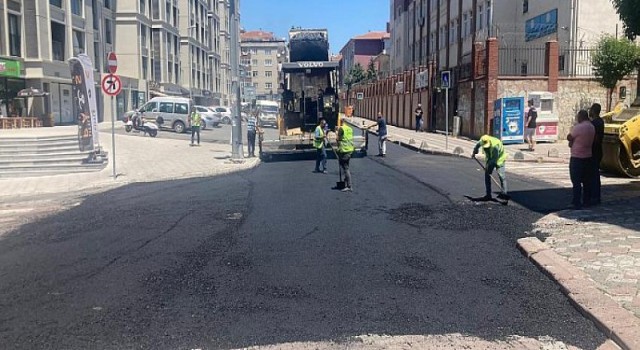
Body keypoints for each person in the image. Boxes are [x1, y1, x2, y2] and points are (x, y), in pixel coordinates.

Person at [567, 109, 595, 209]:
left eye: (578, 117)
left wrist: (570, 140)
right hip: (588, 156)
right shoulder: (592, 127)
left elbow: (570, 137)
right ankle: (586, 201)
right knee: (586, 181)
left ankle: (576, 202)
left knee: (576, 181)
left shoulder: (578, 127)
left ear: (581, 117)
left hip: (577, 157)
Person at [472, 135, 508, 200]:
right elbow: (478, 145)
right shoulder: (483, 140)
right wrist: (474, 151)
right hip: (490, 159)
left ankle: (504, 194)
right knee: (487, 176)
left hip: (500, 160)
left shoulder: (495, 146)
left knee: (502, 177)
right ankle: (488, 195)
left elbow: (494, 160)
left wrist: (488, 167)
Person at [590, 103, 604, 206]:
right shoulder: (601, 121)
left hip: (594, 151)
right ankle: (595, 196)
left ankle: (594, 197)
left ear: (593, 111)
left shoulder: (595, 123)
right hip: (598, 150)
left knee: (593, 175)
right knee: (595, 174)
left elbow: (596, 138)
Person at [337, 123, 355, 192]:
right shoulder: (350, 129)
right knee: (346, 166)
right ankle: (345, 180)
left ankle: (349, 186)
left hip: (344, 151)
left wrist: (338, 150)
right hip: (350, 150)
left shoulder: (341, 129)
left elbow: (338, 139)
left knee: (345, 168)